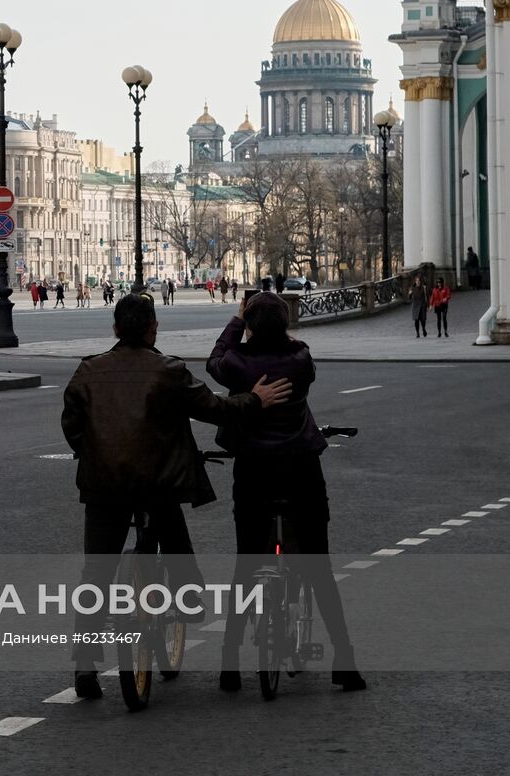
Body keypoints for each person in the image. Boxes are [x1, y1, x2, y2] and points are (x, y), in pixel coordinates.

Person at [61, 293, 292, 698]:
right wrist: (256, 399)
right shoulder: (169, 371)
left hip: (104, 485)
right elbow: (214, 408)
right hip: (157, 483)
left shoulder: (88, 371)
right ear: (153, 329)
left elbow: (72, 425)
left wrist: (95, 453)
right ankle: (188, 597)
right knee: (173, 531)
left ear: (116, 329)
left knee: (95, 571)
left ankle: (84, 664)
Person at [206, 292, 367, 692]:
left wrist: (236, 322)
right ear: (285, 326)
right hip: (300, 469)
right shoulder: (300, 359)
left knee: (246, 564)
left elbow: (214, 360)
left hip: (254, 470)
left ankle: (229, 663)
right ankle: (344, 660)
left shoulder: (237, 363)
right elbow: (300, 354)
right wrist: (280, 334)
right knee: (319, 567)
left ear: (251, 326)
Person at [409, 273, 429, 339]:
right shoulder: (412, 288)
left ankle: (423, 329)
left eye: (419, 281)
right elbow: (409, 298)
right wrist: (410, 294)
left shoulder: (424, 288)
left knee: (423, 320)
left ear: (420, 281)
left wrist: (428, 305)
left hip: (422, 305)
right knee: (416, 320)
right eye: (417, 281)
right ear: (415, 282)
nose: (418, 282)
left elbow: (427, 296)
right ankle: (417, 333)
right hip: (415, 306)